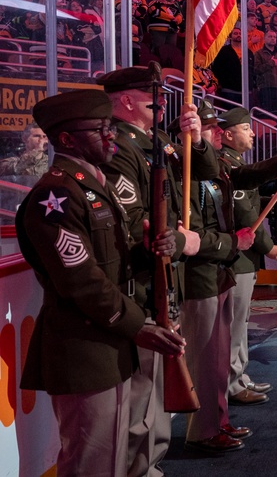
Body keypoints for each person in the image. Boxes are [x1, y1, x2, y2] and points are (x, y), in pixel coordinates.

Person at [17, 90, 185, 476]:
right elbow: (82, 282)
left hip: (108, 343)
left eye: (111, 126)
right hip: (84, 348)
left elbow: (113, 262)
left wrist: (148, 248)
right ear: (66, 139)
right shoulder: (56, 195)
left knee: (111, 459)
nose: (112, 136)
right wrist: (138, 326)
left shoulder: (92, 185)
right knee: (92, 463)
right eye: (101, 129)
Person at [97, 63, 214, 476]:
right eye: (154, 100)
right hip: (145, 284)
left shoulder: (157, 139)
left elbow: (206, 177)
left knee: (155, 395)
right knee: (142, 399)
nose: (162, 105)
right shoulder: (122, 148)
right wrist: (182, 241)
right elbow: (136, 226)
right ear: (127, 101)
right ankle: (140, 469)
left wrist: (196, 139)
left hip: (166, 281)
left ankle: (151, 465)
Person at [216, 108, 277, 406]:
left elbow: (245, 201)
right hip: (239, 255)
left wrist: (268, 201)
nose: (252, 133)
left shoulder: (234, 163)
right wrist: (269, 247)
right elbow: (241, 211)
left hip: (245, 255)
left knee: (240, 321)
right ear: (228, 134)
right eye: (246, 128)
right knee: (234, 324)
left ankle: (239, 375)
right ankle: (232, 382)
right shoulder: (226, 164)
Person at [181, 102, 256, 454]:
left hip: (218, 270)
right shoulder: (187, 180)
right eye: (209, 132)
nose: (212, 139)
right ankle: (204, 429)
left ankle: (217, 422)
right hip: (201, 274)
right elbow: (195, 233)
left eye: (209, 132)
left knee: (218, 354)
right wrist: (232, 244)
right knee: (207, 358)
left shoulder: (208, 175)